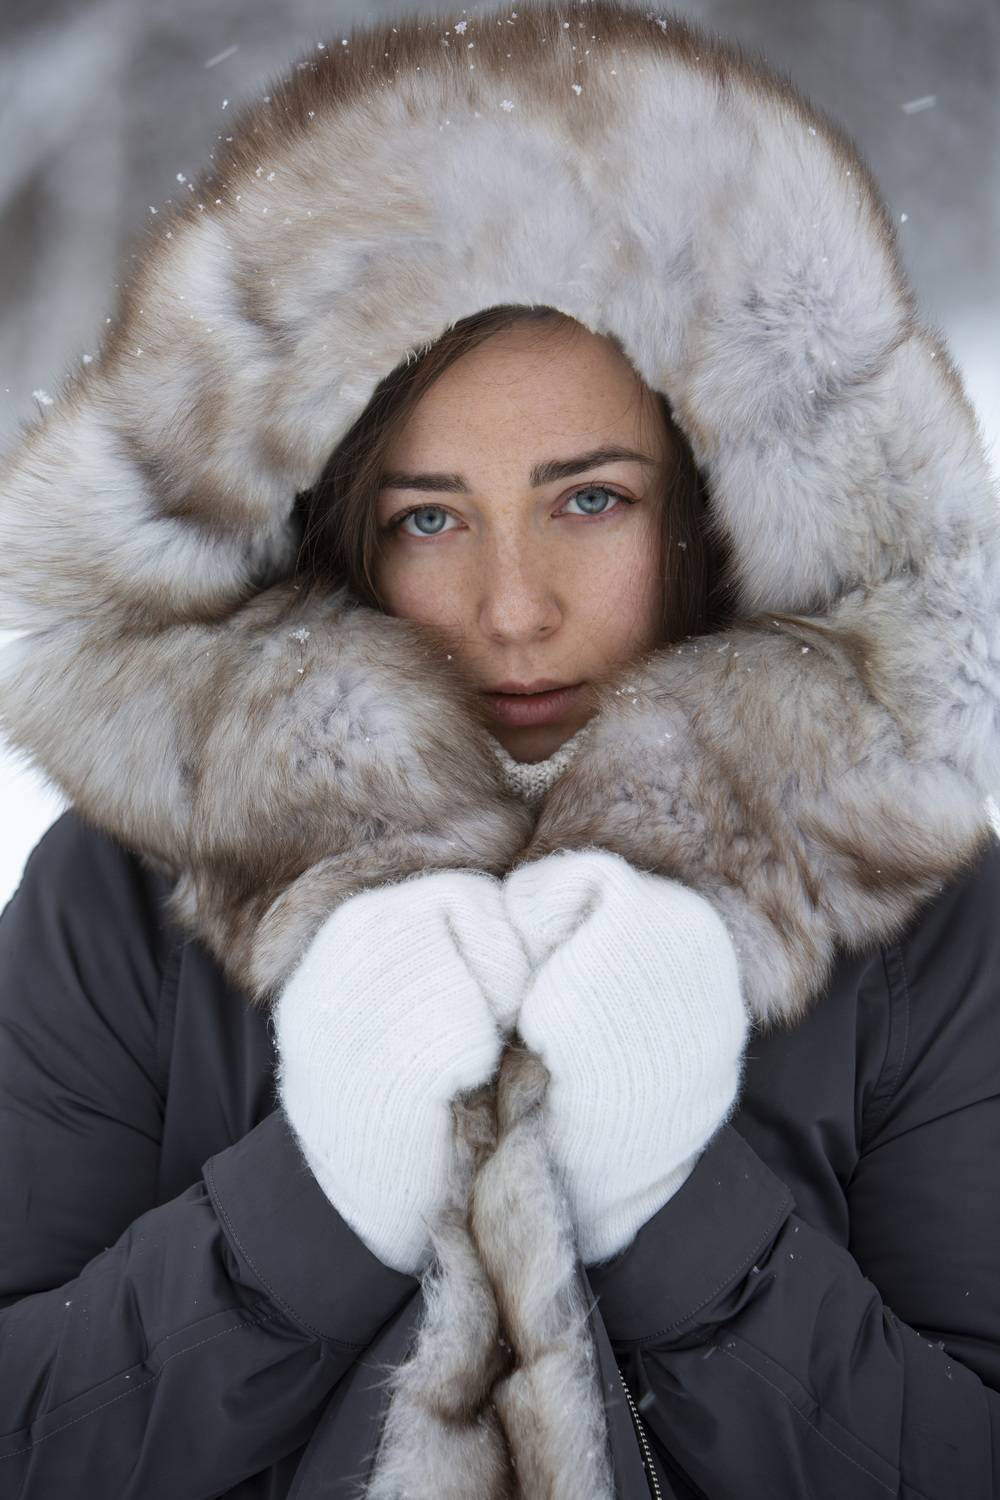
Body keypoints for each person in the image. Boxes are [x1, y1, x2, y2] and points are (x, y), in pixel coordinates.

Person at [0, 4, 998, 1497]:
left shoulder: (917, 908)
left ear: (715, 509)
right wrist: (311, 1209)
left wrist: (678, 1213)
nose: (513, 607)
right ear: (328, 528)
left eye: (589, 499)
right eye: (429, 516)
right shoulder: (131, 893)